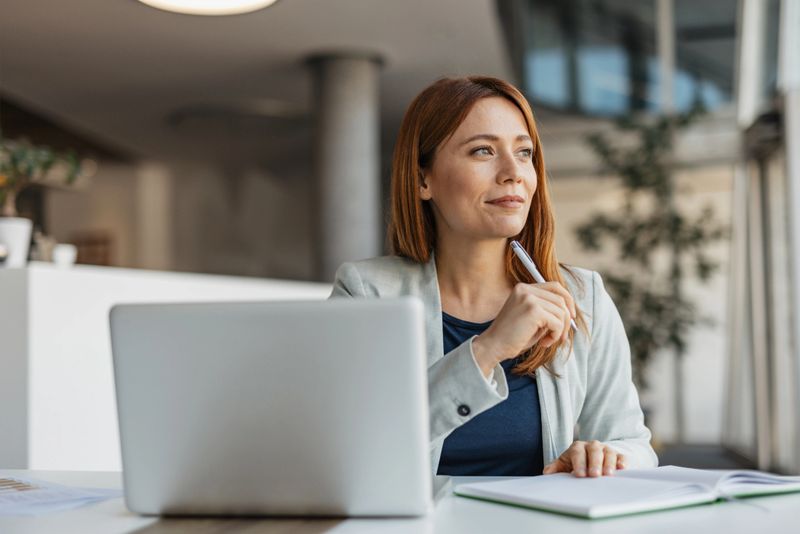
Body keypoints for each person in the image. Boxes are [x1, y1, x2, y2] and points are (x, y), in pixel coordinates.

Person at [330, 76, 657, 478]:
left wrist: (606, 456)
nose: (513, 172)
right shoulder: (367, 293)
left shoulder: (582, 296)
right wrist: (488, 349)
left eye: (524, 152)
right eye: (483, 151)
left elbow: (634, 444)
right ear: (422, 180)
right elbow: (351, 453)